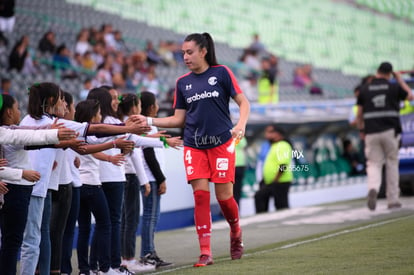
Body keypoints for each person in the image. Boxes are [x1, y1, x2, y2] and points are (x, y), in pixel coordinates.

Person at [137, 32, 250, 267]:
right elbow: (179, 120)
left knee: (225, 198)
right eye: (183, 53)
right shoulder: (182, 82)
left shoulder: (221, 73)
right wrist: (148, 121)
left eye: (189, 52)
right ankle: (205, 252)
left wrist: (240, 125)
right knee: (200, 196)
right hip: (194, 146)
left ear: (203, 51)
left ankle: (236, 231)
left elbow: (243, 102)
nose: (185, 57)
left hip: (221, 144)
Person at [356, 62, 414, 211]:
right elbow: (410, 96)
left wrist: (361, 130)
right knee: (391, 163)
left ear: (377, 71)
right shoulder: (393, 87)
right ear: (390, 74)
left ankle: (373, 188)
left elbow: (359, 114)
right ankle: (393, 199)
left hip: (371, 132)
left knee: (374, 164)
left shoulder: (364, 89)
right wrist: (399, 80)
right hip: (390, 131)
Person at [139, 91, 174, 268]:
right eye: (156, 104)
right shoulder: (147, 126)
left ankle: (149, 252)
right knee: (150, 217)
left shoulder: (147, 125)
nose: (158, 107)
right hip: (151, 177)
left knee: (152, 216)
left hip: (151, 177)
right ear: (152, 107)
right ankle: (147, 253)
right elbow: (148, 154)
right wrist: (161, 179)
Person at [254, 125, 293, 213]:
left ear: (278, 134)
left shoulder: (283, 145)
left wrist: (276, 180)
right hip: (271, 182)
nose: (267, 135)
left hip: (280, 181)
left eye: (270, 132)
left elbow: (283, 164)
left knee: (281, 206)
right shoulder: (274, 145)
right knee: (260, 197)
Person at [234, 137, 247, 207]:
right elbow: (243, 145)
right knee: (237, 189)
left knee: (233, 190)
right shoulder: (239, 134)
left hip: (232, 164)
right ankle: (236, 208)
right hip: (239, 164)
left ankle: (234, 208)